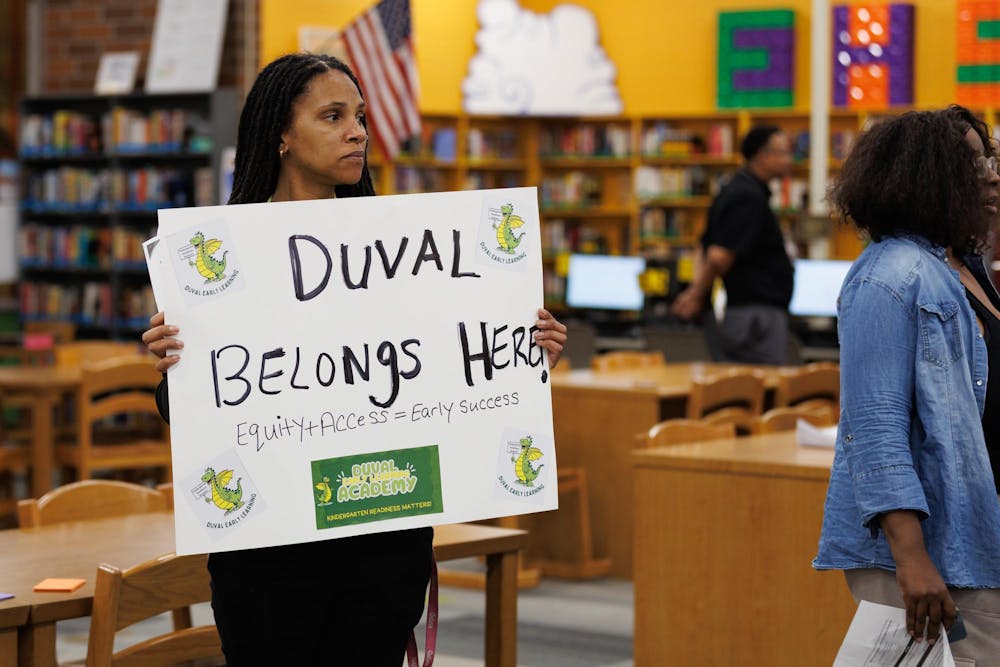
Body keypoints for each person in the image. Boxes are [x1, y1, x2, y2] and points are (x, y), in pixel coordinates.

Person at [141, 53, 568, 666]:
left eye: (361, 116)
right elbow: (191, 414)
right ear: (281, 135)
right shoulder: (220, 260)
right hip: (271, 550)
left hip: (383, 540)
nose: (358, 131)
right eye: (333, 116)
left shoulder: (405, 245)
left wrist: (524, 353)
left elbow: (445, 368)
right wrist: (172, 366)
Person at [813, 106, 1000, 664]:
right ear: (925, 178)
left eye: (990, 159)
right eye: (971, 163)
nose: (991, 174)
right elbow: (873, 426)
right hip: (931, 549)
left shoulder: (965, 264)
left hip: (973, 531)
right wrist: (911, 557)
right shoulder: (890, 275)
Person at [670, 126, 794, 364]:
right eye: (782, 152)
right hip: (755, 317)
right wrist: (696, 295)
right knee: (762, 390)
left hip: (752, 314)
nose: (788, 160)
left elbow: (704, 246)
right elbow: (719, 256)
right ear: (762, 155)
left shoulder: (737, 189)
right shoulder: (747, 197)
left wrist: (695, 290)